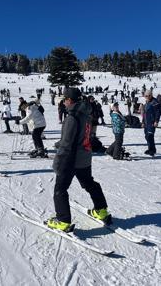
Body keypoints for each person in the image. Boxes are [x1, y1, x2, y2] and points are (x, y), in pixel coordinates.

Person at [47, 87, 110, 232]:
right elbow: (80, 136)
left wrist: (58, 162)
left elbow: (67, 144)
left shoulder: (72, 117)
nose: (64, 102)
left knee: (60, 189)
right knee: (89, 183)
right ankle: (101, 210)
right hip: (85, 157)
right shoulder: (86, 115)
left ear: (69, 100)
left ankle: (62, 221)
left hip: (71, 159)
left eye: (65, 99)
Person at [142, 90, 161, 156]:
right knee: (147, 136)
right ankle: (151, 148)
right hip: (146, 122)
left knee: (150, 136)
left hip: (151, 122)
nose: (146, 97)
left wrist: (156, 121)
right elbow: (144, 113)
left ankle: (152, 150)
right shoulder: (147, 102)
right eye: (145, 96)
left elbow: (158, 113)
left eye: (147, 96)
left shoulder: (155, 102)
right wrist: (143, 122)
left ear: (151, 95)